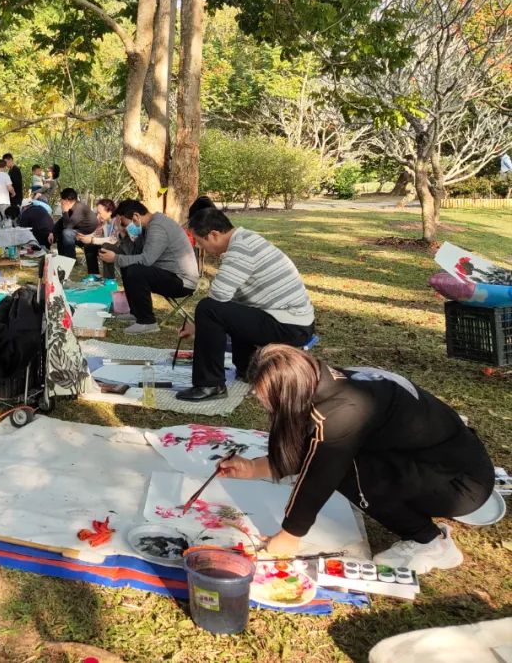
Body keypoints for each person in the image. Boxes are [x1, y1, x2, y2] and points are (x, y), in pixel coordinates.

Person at [219, 345, 494, 573]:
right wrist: (253, 467)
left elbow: (319, 476)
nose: (260, 402)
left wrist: (289, 537)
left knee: (346, 470)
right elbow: (312, 448)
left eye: (262, 397)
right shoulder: (328, 381)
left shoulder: (342, 411)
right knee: (340, 459)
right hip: (445, 461)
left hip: (461, 483)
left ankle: (430, 542)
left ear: (289, 393)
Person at [178, 207, 315, 402]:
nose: (201, 249)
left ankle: (210, 385)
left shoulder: (241, 249)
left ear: (214, 235)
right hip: (291, 321)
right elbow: (229, 303)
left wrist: (199, 327)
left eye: (200, 243)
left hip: (289, 326)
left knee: (207, 308)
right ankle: (249, 370)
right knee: (225, 309)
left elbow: (217, 297)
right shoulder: (245, 240)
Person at [100, 200, 199, 336]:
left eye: (124, 224)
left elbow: (146, 260)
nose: (124, 227)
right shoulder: (148, 227)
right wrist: (124, 235)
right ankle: (136, 312)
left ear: (136, 217)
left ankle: (147, 322)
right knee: (128, 265)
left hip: (182, 281)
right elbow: (133, 255)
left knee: (136, 269)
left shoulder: (158, 227)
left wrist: (116, 258)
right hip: (168, 274)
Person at [52, 188, 100, 270]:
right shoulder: (72, 207)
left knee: (66, 233)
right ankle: (62, 259)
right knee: (62, 232)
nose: (60, 201)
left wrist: (65, 211)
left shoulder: (79, 208)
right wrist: (52, 233)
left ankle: (71, 260)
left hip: (88, 236)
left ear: (67, 200)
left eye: (62, 199)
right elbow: (61, 222)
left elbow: (68, 227)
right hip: (79, 232)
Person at [76, 198, 123, 279]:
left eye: (100, 213)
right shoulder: (104, 222)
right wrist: (84, 237)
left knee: (106, 247)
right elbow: (96, 234)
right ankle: (94, 275)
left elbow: (113, 239)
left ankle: (109, 279)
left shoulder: (117, 221)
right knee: (89, 246)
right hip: (109, 246)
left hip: (120, 249)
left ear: (110, 212)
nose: (97, 215)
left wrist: (92, 240)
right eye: (97, 213)